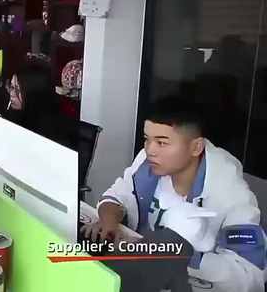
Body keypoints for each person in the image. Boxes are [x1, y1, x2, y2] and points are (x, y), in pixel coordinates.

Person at [83, 96, 265, 292]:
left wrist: (176, 254)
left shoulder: (232, 195)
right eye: (147, 139)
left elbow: (250, 275)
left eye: (162, 143)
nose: (150, 150)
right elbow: (118, 194)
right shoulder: (147, 162)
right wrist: (109, 220)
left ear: (196, 147)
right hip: (139, 273)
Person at [3, 61, 64, 140]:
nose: (12, 93)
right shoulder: (13, 116)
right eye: (12, 87)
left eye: (18, 89)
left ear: (32, 94)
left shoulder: (47, 132)